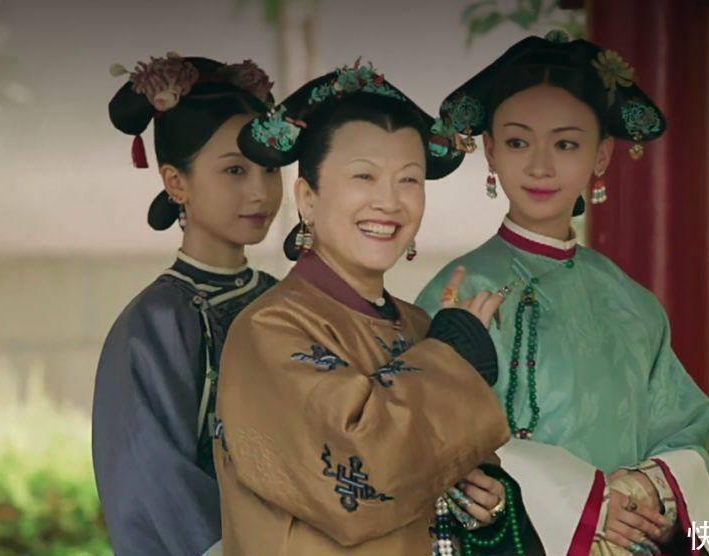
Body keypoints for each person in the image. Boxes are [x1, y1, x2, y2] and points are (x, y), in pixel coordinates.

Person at [215, 60, 542, 555]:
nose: (389, 202)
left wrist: (490, 506)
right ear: (307, 198)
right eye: (364, 176)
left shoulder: (420, 326)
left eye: (409, 180)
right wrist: (454, 355)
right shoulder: (268, 330)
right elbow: (360, 476)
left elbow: (462, 473)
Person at [416, 32, 709, 556]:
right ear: (491, 151)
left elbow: (685, 428)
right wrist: (587, 502)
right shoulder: (459, 291)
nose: (540, 166)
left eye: (566, 144)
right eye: (518, 142)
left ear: (601, 155)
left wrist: (641, 490)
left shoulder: (634, 304)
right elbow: (432, 441)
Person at [93, 53, 282, 556]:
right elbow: (155, 481)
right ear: (176, 181)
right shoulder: (155, 323)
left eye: (269, 169)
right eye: (235, 170)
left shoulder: (287, 299)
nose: (260, 191)